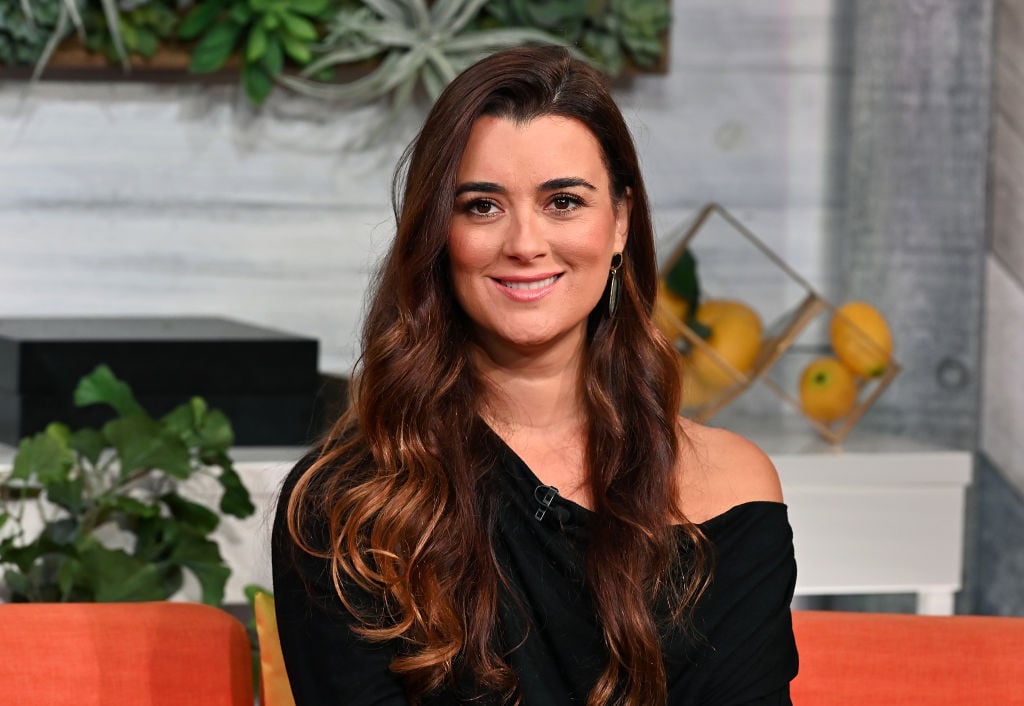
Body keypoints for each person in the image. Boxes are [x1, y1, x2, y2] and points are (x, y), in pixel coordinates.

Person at [272, 45, 798, 706]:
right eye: (482, 206)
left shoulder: (734, 488)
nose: (524, 243)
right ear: (438, 233)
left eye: (564, 201)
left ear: (620, 222)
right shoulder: (351, 507)